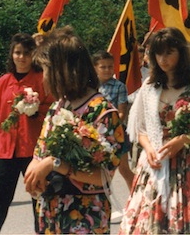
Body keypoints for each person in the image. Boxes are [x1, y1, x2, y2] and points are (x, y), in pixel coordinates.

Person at [120, 27, 190, 234]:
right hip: (156, 163)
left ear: (181, 52)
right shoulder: (149, 86)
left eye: (169, 52)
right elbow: (140, 128)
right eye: (159, 53)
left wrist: (184, 139)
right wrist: (148, 148)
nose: (163, 58)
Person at [24, 27, 126, 234]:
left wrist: (55, 164)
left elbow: (103, 177)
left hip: (84, 216)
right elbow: (40, 154)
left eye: (45, 69)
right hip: (52, 212)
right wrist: (34, 174)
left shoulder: (102, 112)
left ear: (62, 70)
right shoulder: (57, 107)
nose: (42, 78)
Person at [0, 33, 53, 234]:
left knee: (38, 199)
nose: (21, 57)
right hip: (7, 150)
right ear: (12, 55)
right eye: (17, 52)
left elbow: (52, 109)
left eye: (26, 53)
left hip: (32, 149)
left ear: (33, 54)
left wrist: (35, 112)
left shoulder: (41, 79)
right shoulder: (4, 81)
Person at [93, 50, 135, 190]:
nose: (107, 70)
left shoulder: (119, 86)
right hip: (93, 134)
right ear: (95, 68)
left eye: (110, 67)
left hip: (116, 133)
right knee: (97, 172)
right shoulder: (89, 86)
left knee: (124, 169)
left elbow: (122, 112)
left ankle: (136, 199)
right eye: (103, 67)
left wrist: (110, 128)